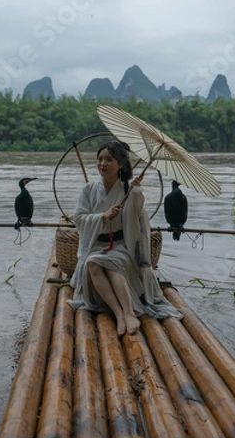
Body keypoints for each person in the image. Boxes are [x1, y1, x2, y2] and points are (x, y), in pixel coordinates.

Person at [69, 139, 183, 336]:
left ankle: (129, 313)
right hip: (96, 246)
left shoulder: (127, 190)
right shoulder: (88, 190)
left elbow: (137, 219)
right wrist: (101, 217)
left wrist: (135, 194)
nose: (102, 164)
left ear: (120, 164)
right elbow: (78, 218)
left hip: (121, 247)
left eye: (109, 160)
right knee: (94, 263)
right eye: (100, 159)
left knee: (111, 266)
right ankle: (120, 313)